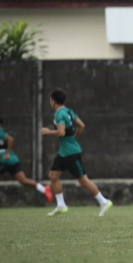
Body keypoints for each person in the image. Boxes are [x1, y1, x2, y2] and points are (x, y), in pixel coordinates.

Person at [42, 88, 112, 217]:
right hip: (64, 152)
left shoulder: (58, 114)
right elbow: (82, 125)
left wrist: (47, 131)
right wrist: (74, 138)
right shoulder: (68, 111)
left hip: (71, 153)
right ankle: (61, 205)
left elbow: (61, 132)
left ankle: (103, 201)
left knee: (83, 180)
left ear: (53, 100)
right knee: (53, 175)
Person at [0, 116, 52, 205]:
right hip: (13, 161)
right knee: (23, 180)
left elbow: (10, 139)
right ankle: (44, 189)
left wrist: (7, 153)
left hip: (7, 161)